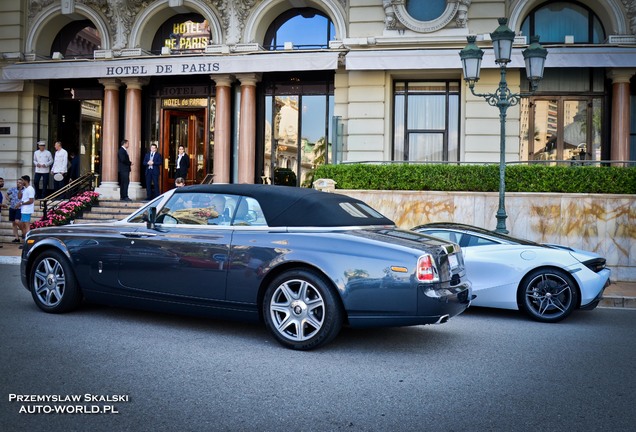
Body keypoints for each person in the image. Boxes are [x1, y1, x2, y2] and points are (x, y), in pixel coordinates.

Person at [16, 175, 35, 241]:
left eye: (22, 180)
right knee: (23, 225)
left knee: (26, 226)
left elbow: (31, 201)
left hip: (27, 210)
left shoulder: (30, 189)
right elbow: (19, 197)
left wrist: (21, 203)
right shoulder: (25, 189)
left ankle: (27, 241)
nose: (21, 182)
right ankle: (25, 240)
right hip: (23, 210)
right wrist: (20, 188)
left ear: (26, 181)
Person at [6, 178, 23, 243]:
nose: (18, 184)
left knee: (17, 221)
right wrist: (9, 200)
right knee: (13, 223)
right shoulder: (12, 189)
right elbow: (6, 194)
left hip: (19, 208)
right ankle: (16, 238)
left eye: (20, 183)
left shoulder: (24, 190)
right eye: (17, 182)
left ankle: (23, 232)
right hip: (12, 207)